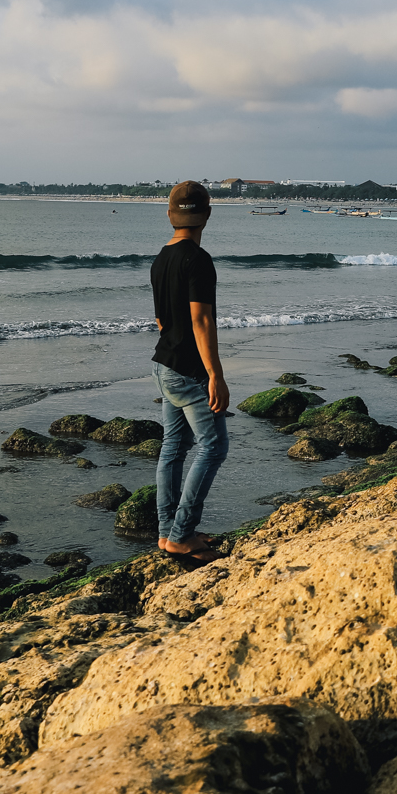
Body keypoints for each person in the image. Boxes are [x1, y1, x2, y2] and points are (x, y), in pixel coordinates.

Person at [152, 181, 230, 569]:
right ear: (207, 214)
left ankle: (168, 532)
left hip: (163, 363)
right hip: (189, 370)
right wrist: (215, 374)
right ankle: (181, 534)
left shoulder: (161, 257)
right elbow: (201, 320)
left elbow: (161, 318)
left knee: (173, 448)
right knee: (213, 447)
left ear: (170, 215)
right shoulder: (198, 260)